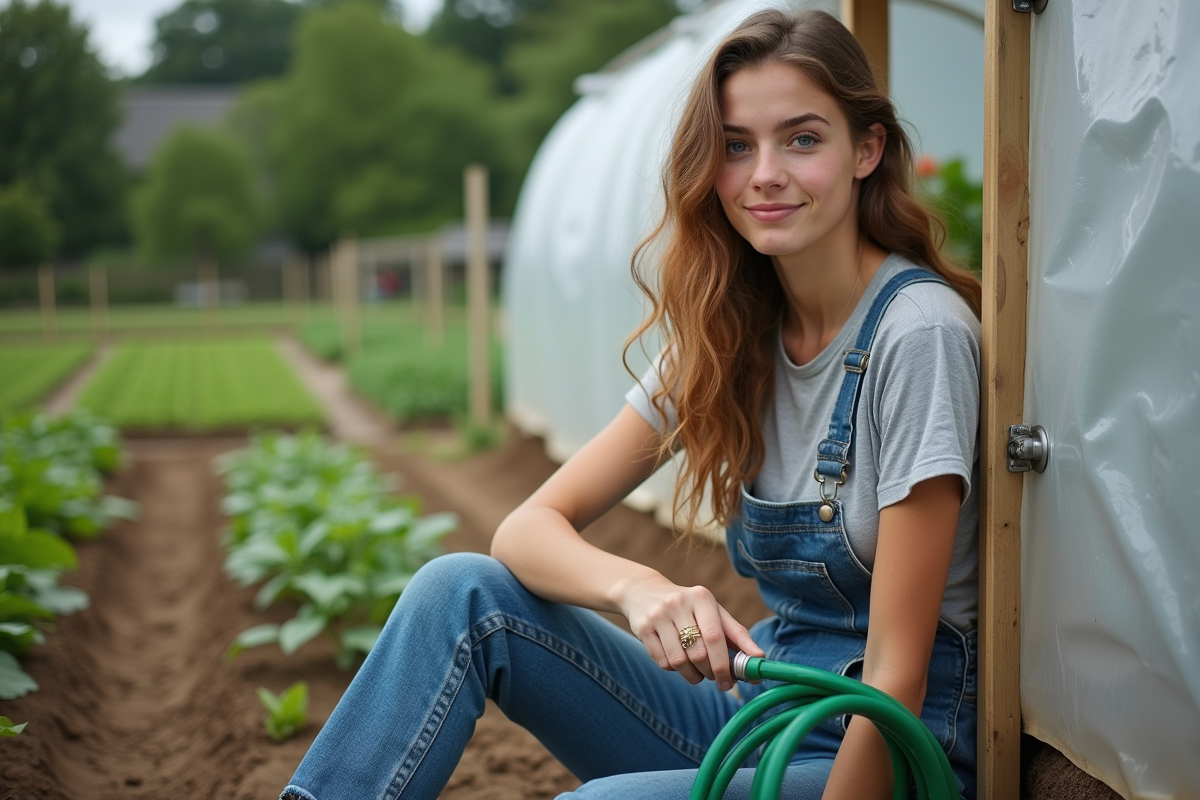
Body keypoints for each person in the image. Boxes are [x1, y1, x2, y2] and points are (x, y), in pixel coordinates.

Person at [281, 8, 981, 800]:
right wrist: (639, 589)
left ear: (868, 149)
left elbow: (895, 675)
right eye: (737, 146)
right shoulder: (733, 336)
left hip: (886, 758)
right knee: (461, 593)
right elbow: (525, 530)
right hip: (763, 725)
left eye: (803, 139)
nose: (765, 175)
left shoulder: (916, 336)